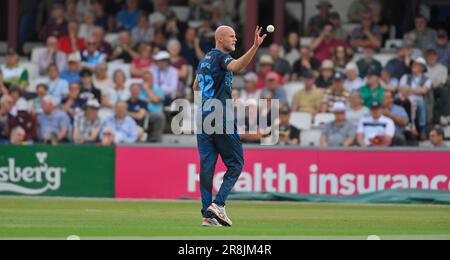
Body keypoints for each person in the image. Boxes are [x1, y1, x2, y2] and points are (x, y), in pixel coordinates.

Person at [192, 25, 266, 227]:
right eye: (231, 36)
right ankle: (218, 204)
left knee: (207, 168)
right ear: (221, 39)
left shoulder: (204, 60)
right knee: (236, 164)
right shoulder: (220, 57)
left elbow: (195, 86)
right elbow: (236, 67)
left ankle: (207, 215)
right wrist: (255, 47)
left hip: (203, 117)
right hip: (220, 116)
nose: (235, 39)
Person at [399, 57, 432, 139]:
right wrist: (415, 91)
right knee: (404, 101)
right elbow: (402, 90)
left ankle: (422, 128)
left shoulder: (427, 79)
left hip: (420, 100)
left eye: (416, 65)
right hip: (406, 99)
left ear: (422, 68)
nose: (413, 66)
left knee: (420, 102)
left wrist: (408, 90)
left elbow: (423, 91)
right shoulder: (405, 76)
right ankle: (408, 126)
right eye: (413, 65)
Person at [139, 71, 166, 143]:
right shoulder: (139, 90)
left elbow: (156, 100)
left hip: (154, 113)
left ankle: (156, 140)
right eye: (145, 79)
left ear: (152, 79)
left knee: (160, 116)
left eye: (149, 79)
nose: (147, 81)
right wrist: (150, 98)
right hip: (142, 113)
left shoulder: (158, 89)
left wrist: (147, 89)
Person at [425, 48, 450, 125]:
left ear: (436, 57)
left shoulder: (442, 68)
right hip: (425, 89)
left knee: (444, 90)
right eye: (429, 56)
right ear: (426, 57)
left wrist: (431, 84)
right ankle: (428, 120)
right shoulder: (423, 68)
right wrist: (431, 84)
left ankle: (445, 116)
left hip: (437, 90)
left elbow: (441, 83)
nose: (431, 58)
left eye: (433, 55)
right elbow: (422, 81)